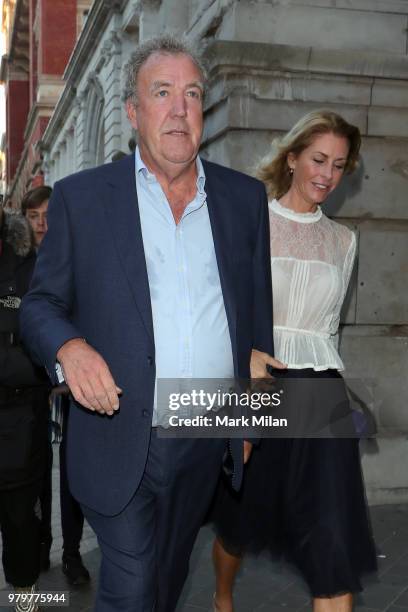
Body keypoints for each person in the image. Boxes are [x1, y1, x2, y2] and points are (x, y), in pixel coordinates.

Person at [20, 35, 275, 611]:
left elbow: (257, 320)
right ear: (133, 113)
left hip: (207, 431)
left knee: (166, 576)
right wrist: (71, 348)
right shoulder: (83, 200)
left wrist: (253, 417)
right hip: (121, 434)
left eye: (192, 93)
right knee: (132, 585)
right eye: (162, 92)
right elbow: (39, 307)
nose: (179, 108)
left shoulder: (242, 200)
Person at [212, 110, 377, 612]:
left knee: (331, 539)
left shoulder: (345, 242)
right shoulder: (252, 220)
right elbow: (229, 313)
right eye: (318, 159)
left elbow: (328, 330)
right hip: (261, 388)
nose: (327, 174)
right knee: (239, 525)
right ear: (292, 159)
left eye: (339, 165)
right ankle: (222, 598)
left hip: (320, 394)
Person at [22, 185, 90, 584]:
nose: (43, 224)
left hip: (68, 384)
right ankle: (43, 544)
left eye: (48, 214)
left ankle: (71, 552)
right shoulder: (19, 263)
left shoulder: (71, 255)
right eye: (34, 217)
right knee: (35, 473)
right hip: (30, 387)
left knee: (70, 470)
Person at [0, 204, 49, 612]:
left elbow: (46, 330)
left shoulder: (27, 261)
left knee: (19, 520)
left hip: (18, 415)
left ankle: (25, 599)